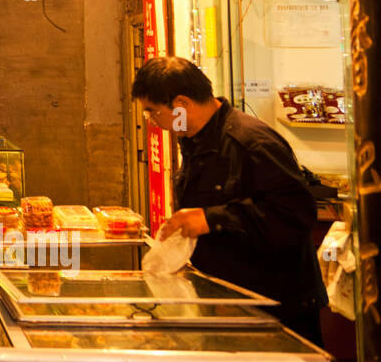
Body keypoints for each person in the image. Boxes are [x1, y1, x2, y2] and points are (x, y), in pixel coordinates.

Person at [132, 56, 326, 343]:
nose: (153, 123)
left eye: (153, 113)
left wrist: (211, 219)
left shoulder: (250, 142)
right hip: (230, 305)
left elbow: (296, 214)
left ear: (182, 104)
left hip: (274, 314)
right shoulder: (195, 140)